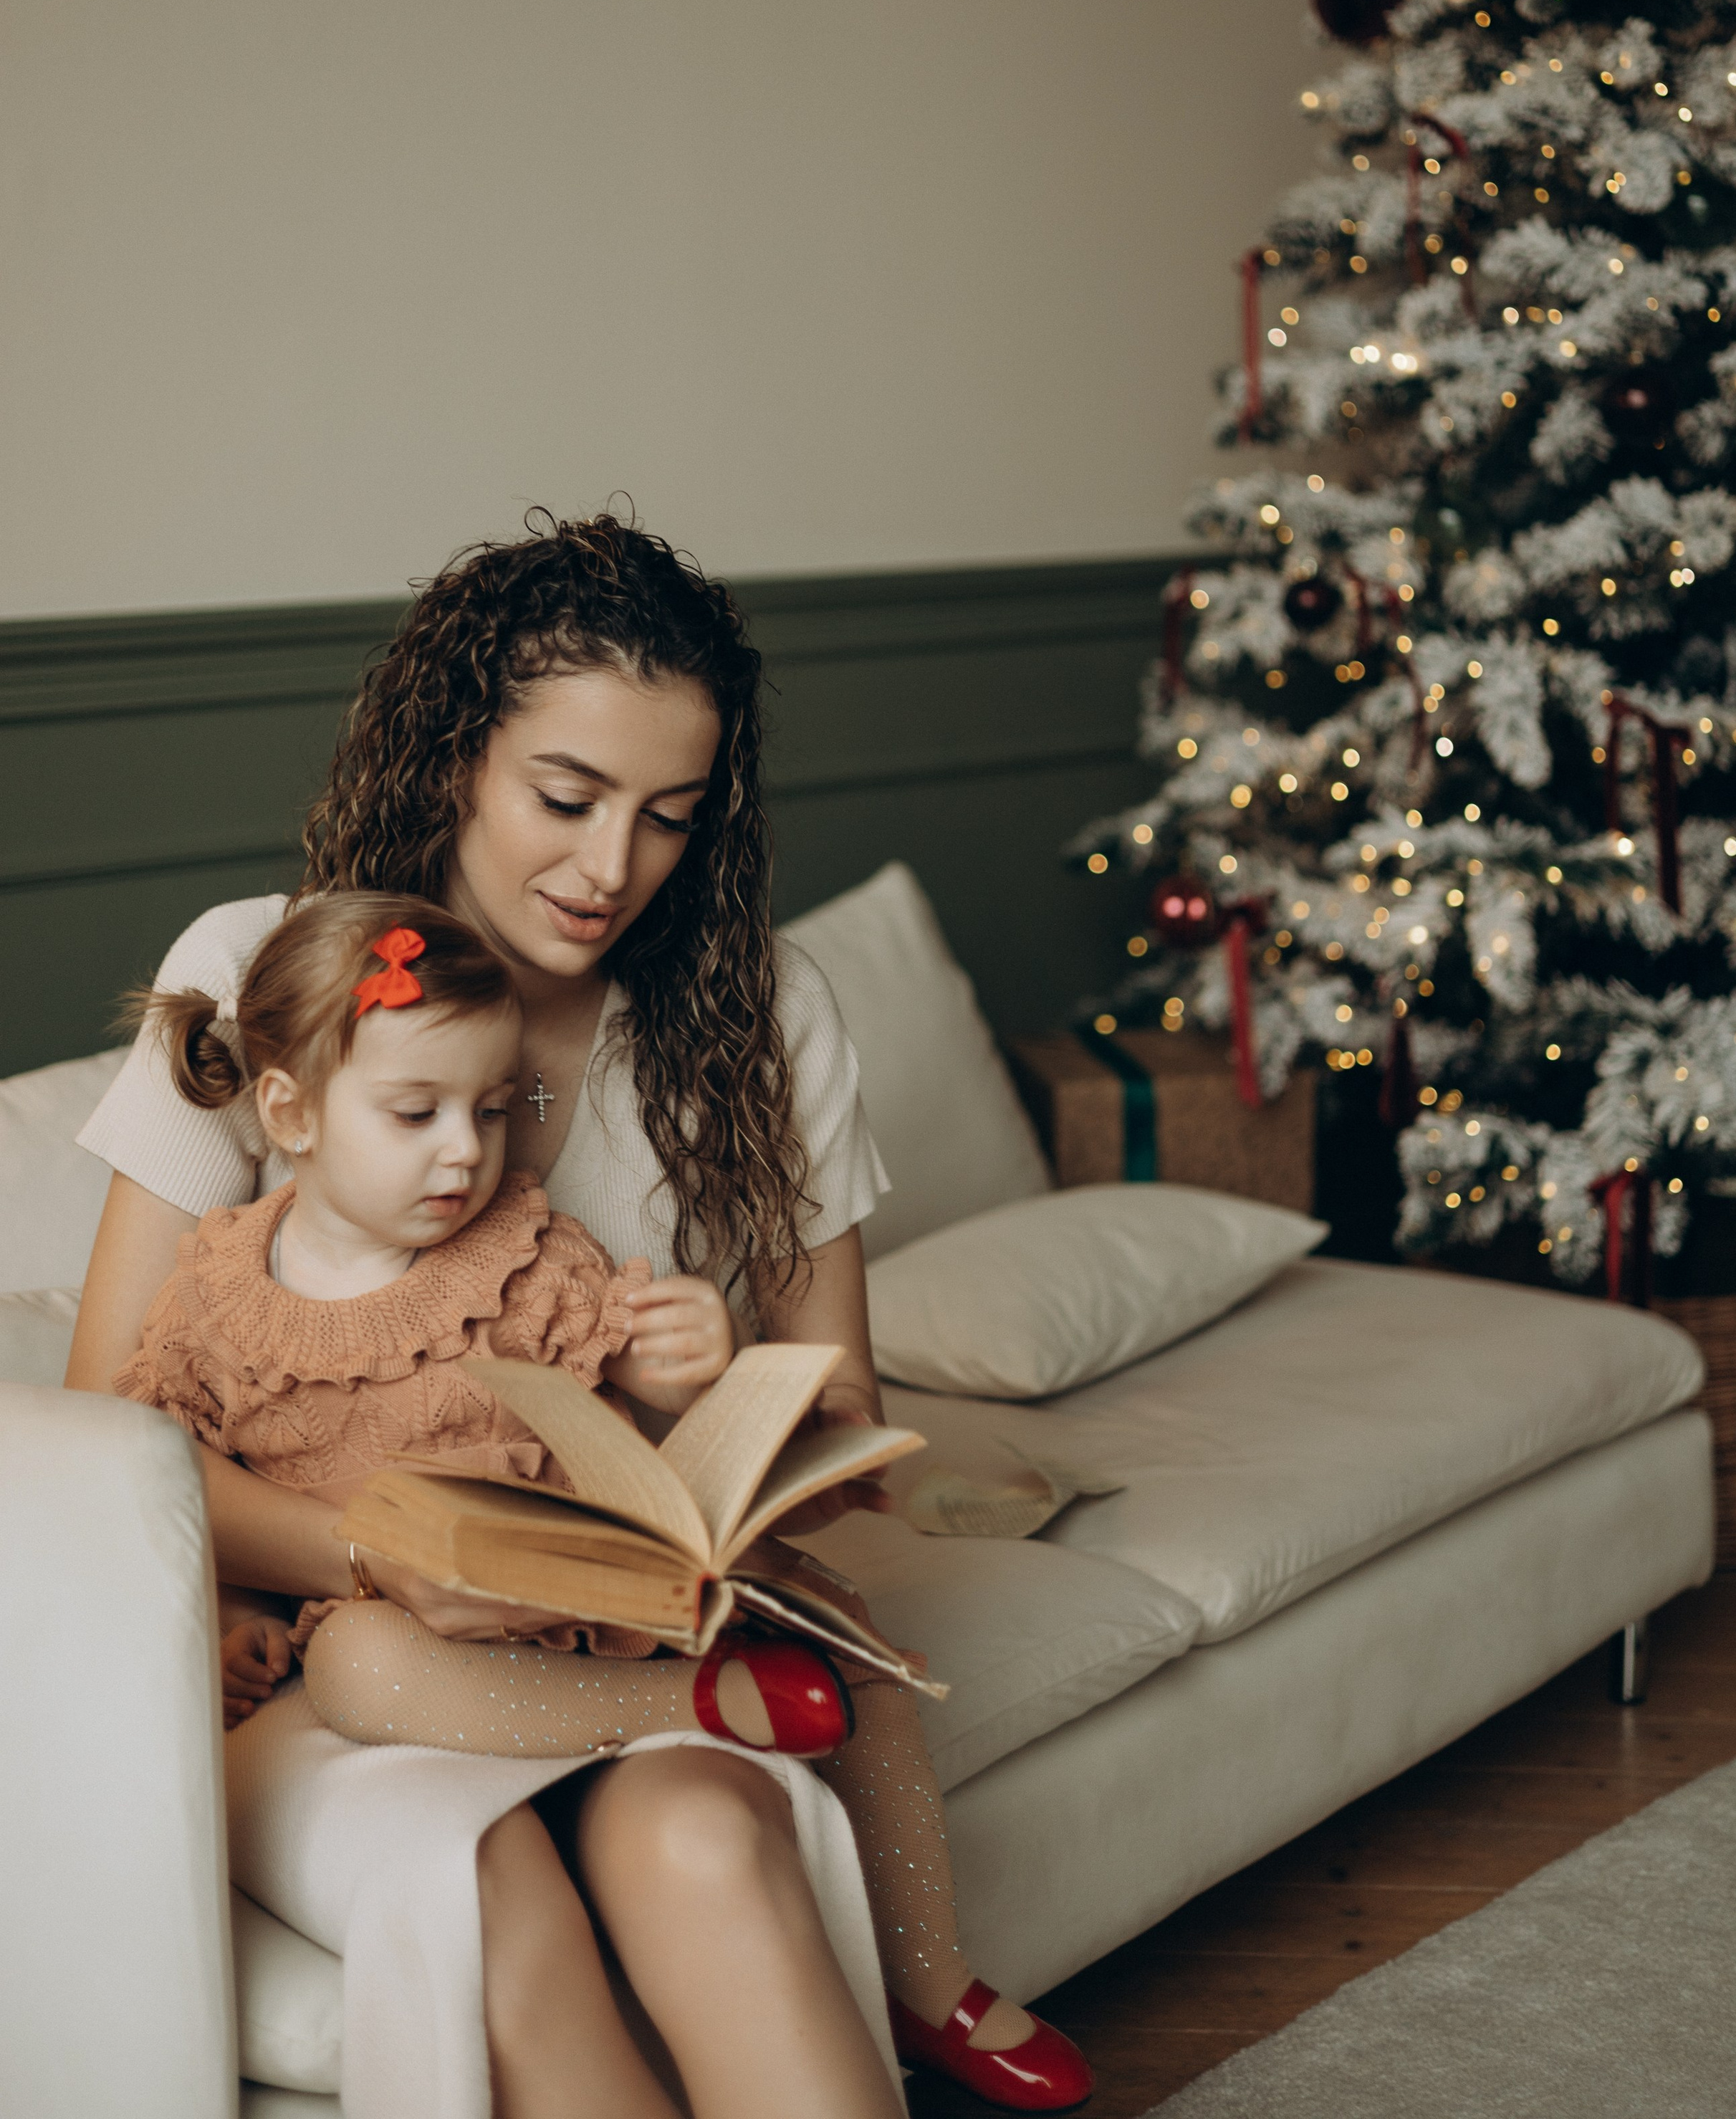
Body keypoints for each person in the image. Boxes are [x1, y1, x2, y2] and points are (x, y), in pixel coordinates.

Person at [67, 510, 1091, 2119]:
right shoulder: (272, 970)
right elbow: (107, 1455)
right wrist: (387, 1557)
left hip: (615, 1642)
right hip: (326, 1662)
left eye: (668, 817)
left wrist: (710, 1386)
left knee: (708, 1838)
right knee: (494, 1904)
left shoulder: (764, 1018)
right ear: (455, 755)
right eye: (565, 797)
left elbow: (828, 1417)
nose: (610, 869)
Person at [117, 887, 863, 1785]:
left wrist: (704, 1356)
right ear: (288, 1113)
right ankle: (707, 1702)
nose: (467, 1150)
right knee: (356, 1663)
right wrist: (243, 1619)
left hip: (577, 1596)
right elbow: (177, 1478)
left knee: (794, 1588)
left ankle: (730, 1674)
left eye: (493, 1108)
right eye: (416, 1113)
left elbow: (642, 1372)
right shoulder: (216, 1297)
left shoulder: (521, 1250)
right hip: (414, 1641)